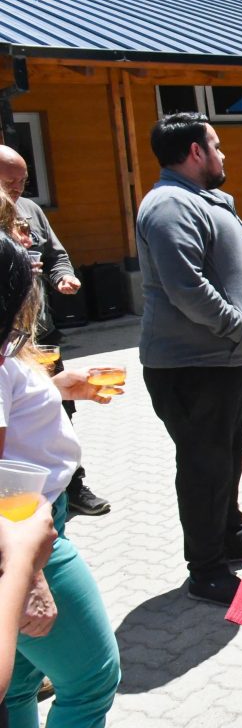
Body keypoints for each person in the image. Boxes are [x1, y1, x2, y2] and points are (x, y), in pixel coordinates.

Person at [137, 111, 242, 606]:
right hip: (190, 364)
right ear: (195, 152)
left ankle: (230, 535)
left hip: (217, 359)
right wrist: (236, 323)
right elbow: (184, 287)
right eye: (217, 145)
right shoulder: (169, 205)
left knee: (227, 454)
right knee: (203, 464)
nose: (224, 154)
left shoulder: (197, 199)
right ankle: (205, 569)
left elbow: (209, 268)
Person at [0, 232, 121, 725]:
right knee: (92, 679)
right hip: (26, 536)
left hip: (36, 526)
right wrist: (26, 576)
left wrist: (50, 389)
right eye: (27, 271)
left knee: (21, 683)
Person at [0, 146, 108, 518]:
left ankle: (71, 485)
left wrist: (63, 275)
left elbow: (57, 254)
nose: (18, 187)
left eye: (23, 180)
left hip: (40, 335)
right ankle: (24, 499)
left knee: (58, 408)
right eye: (10, 180)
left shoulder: (31, 210)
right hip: (7, 337)